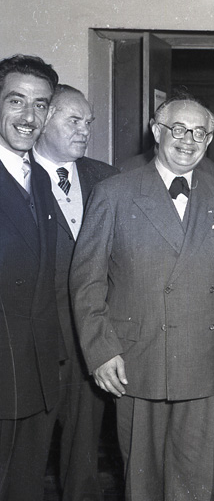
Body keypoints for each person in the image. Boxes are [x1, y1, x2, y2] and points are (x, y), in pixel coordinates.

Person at [69, 92, 214, 501]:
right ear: (156, 132)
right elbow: (87, 281)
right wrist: (101, 350)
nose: (188, 140)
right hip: (137, 358)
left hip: (203, 355)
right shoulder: (114, 193)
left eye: (199, 132)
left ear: (209, 140)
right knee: (142, 480)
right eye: (178, 129)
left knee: (194, 477)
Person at [33, 84, 118, 501]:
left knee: (83, 450)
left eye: (88, 122)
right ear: (44, 119)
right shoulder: (15, 176)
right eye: (74, 120)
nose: (84, 130)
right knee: (26, 452)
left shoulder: (107, 178)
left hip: (88, 338)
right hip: (33, 341)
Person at [0, 54, 62, 501]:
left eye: (40, 105)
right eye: (16, 100)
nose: (28, 116)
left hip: (37, 370)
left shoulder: (39, 177)